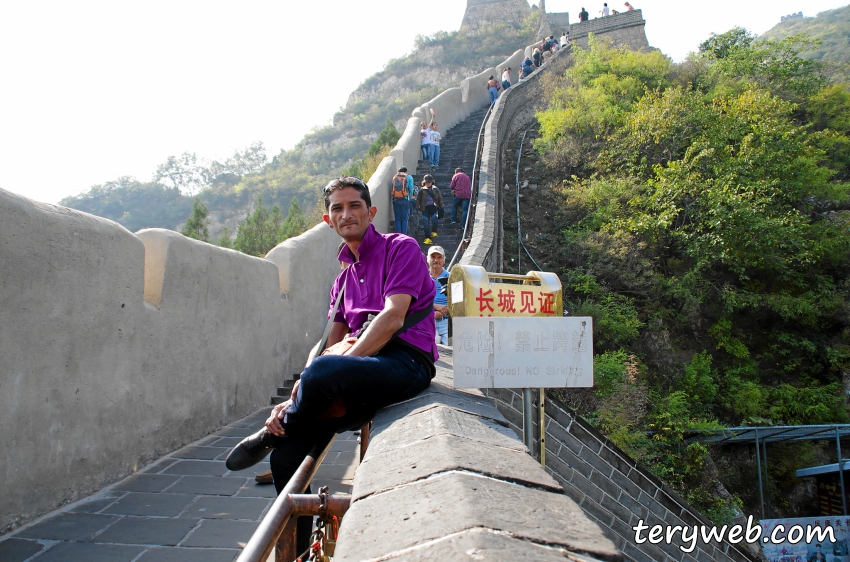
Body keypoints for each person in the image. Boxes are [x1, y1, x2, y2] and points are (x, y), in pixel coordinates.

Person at [225, 176, 436, 555]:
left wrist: (329, 372)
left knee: (323, 373)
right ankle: (301, 551)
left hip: (405, 363)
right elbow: (326, 342)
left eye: (354, 205)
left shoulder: (399, 248)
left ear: (370, 212)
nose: (346, 213)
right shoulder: (341, 281)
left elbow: (392, 318)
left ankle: (275, 428)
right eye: (337, 208)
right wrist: (301, 386)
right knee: (287, 456)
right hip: (352, 375)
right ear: (328, 221)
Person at [427, 246, 450, 346]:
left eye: (439, 257)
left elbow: (459, 301)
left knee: (451, 353)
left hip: (447, 322)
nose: (436, 260)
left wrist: (445, 310)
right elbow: (416, 301)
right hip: (427, 321)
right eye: (433, 257)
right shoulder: (422, 277)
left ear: (444, 260)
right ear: (428, 259)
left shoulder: (451, 277)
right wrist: (436, 307)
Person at [417, 174, 443, 239]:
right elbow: (418, 199)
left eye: (429, 182)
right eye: (426, 182)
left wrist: (441, 206)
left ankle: (434, 232)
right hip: (425, 208)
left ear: (432, 182)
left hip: (434, 207)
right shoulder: (422, 190)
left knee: (435, 221)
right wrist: (417, 207)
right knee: (426, 223)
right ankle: (427, 237)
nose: (428, 184)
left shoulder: (436, 189)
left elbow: (440, 198)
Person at [391, 168, 410, 235]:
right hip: (405, 199)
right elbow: (410, 188)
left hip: (396, 200)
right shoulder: (408, 177)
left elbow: (392, 188)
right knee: (404, 218)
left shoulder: (395, 177)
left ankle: (398, 235)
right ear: (406, 171)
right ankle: (404, 235)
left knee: (397, 218)